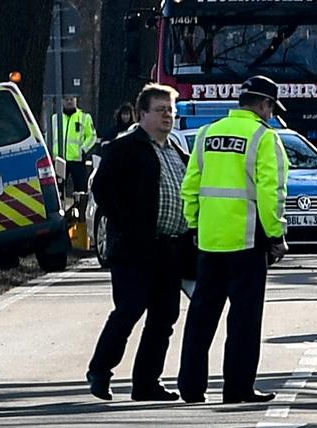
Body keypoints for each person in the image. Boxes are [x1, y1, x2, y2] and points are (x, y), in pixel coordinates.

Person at [177, 75, 290, 404]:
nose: (271, 114)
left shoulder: (206, 134)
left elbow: (191, 185)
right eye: (271, 107)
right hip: (247, 240)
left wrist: (195, 224)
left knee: (201, 315)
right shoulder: (264, 138)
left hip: (210, 240)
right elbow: (272, 192)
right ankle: (237, 388)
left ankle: (191, 386)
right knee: (244, 319)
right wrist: (276, 235)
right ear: (264, 104)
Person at [86, 84, 191, 402]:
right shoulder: (125, 148)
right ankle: (100, 371)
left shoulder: (175, 151)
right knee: (129, 309)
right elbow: (103, 189)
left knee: (164, 316)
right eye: (160, 110)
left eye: (171, 111)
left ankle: (146, 383)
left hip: (170, 248)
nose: (167, 117)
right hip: (135, 248)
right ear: (142, 113)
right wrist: (129, 225)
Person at [51, 96, 97, 192]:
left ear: (76, 100)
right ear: (62, 101)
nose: (69, 102)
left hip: (77, 159)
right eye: (66, 99)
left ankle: (79, 206)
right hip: (59, 159)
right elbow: (49, 136)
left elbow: (92, 136)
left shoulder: (84, 117)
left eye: (71, 99)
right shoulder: (55, 118)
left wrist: (83, 149)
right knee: (58, 189)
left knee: (80, 190)